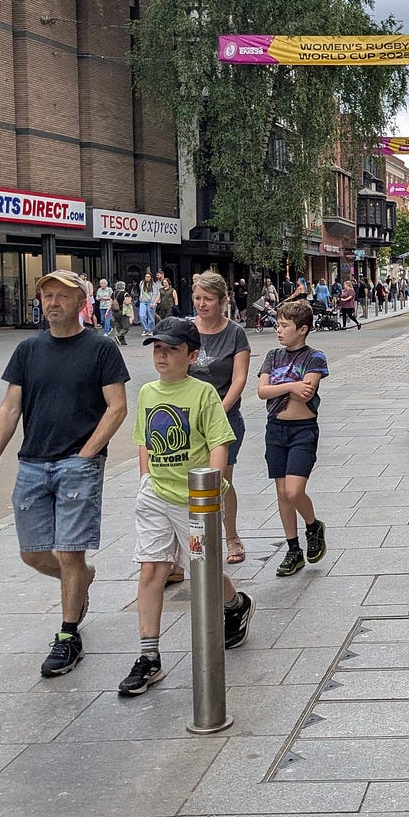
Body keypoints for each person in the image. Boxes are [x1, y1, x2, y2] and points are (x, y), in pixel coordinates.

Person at [0, 270, 130, 677]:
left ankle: (68, 635)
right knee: (32, 553)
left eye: (62, 296)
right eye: (47, 296)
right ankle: (81, 580)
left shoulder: (101, 348)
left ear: (80, 302)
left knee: (71, 551)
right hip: (32, 463)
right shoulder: (28, 350)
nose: (53, 303)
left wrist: (86, 454)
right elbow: (10, 407)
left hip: (78, 465)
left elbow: (117, 407)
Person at [119, 317, 254, 696]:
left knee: (202, 570)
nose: (162, 356)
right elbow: (145, 441)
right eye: (157, 349)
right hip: (156, 496)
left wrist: (210, 490)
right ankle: (149, 656)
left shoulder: (203, 394)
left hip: (194, 500)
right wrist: (145, 481)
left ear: (192, 356)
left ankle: (235, 604)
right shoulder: (148, 393)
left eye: (172, 349)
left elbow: (219, 442)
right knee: (152, 569)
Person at [257, 301, 330, 577]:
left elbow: (307, 391)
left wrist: (282, 388)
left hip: (303, 430)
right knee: (281, 493)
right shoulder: (272, 356)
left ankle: (313, 526)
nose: (278, 330)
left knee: (293, 491)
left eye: (284, 326)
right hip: (275, 429)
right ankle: (293, 548)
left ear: (302, 329)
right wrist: (291, 386)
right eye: (278, 325)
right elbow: (262, 391)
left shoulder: (315, 357)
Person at [190, 271, 253, 565]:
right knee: (188, 480)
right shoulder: (187, 330)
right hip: (190, 419)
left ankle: (231, 536)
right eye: (197, 298)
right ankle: (192, 543)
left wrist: (218, 411)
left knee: (222, 481)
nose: (202, 304)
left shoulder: (235, 334)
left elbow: (239, 379)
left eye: (208, 299)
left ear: (222, 301)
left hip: (225, 417)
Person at [109, 280, 131, 345]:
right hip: (122, 311)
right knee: (126, 327)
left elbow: (110, 303)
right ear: (123, 286)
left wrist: (108, 311)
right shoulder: (125, 294)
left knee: (119, 326)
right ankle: (118, 336)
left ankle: (122, 341)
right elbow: (127, 302)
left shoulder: (113, 293)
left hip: (115, 312)